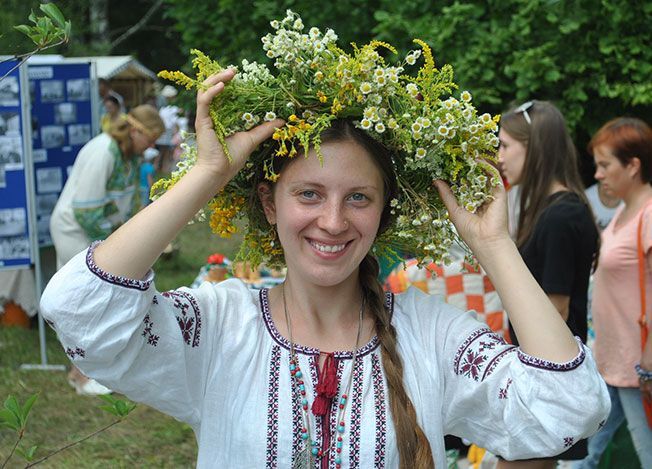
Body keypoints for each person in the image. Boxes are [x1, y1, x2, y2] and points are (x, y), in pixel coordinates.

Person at [39, 66, 611, 466]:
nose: (334, 222)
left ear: (385, 211)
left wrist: (494, 246)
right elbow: (80, 313)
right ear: (269, 203)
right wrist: (206, 176)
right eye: (308, 194)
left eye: (358, 198)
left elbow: (569, 408)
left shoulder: (431, 333)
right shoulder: (218, 325)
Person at [574, 118, 652, 469]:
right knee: (583, 455)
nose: (598, 174)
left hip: (643, 370)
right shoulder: (626, 211)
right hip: (616, 364)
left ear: (633, 165)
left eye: (605, 164)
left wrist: (650, 365)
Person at [496, 101, 600, 469]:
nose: (499, 156)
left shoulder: (561, 215)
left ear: (535, 146)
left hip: (547, 382)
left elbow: (555, 310)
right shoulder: (552, 209)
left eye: (505, 145)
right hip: (543, 377)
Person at [49, 104, 165, 395]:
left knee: (104, 300)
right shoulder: (103, 151)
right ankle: (80, 376)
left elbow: (129, 201)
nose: (151, 147)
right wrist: (118, 245)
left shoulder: (130, 153)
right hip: (75, 229)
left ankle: (99, 369)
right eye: (149, 139)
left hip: (100, 230)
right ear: (134, 130)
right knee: (83, 303)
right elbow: (86, 212)